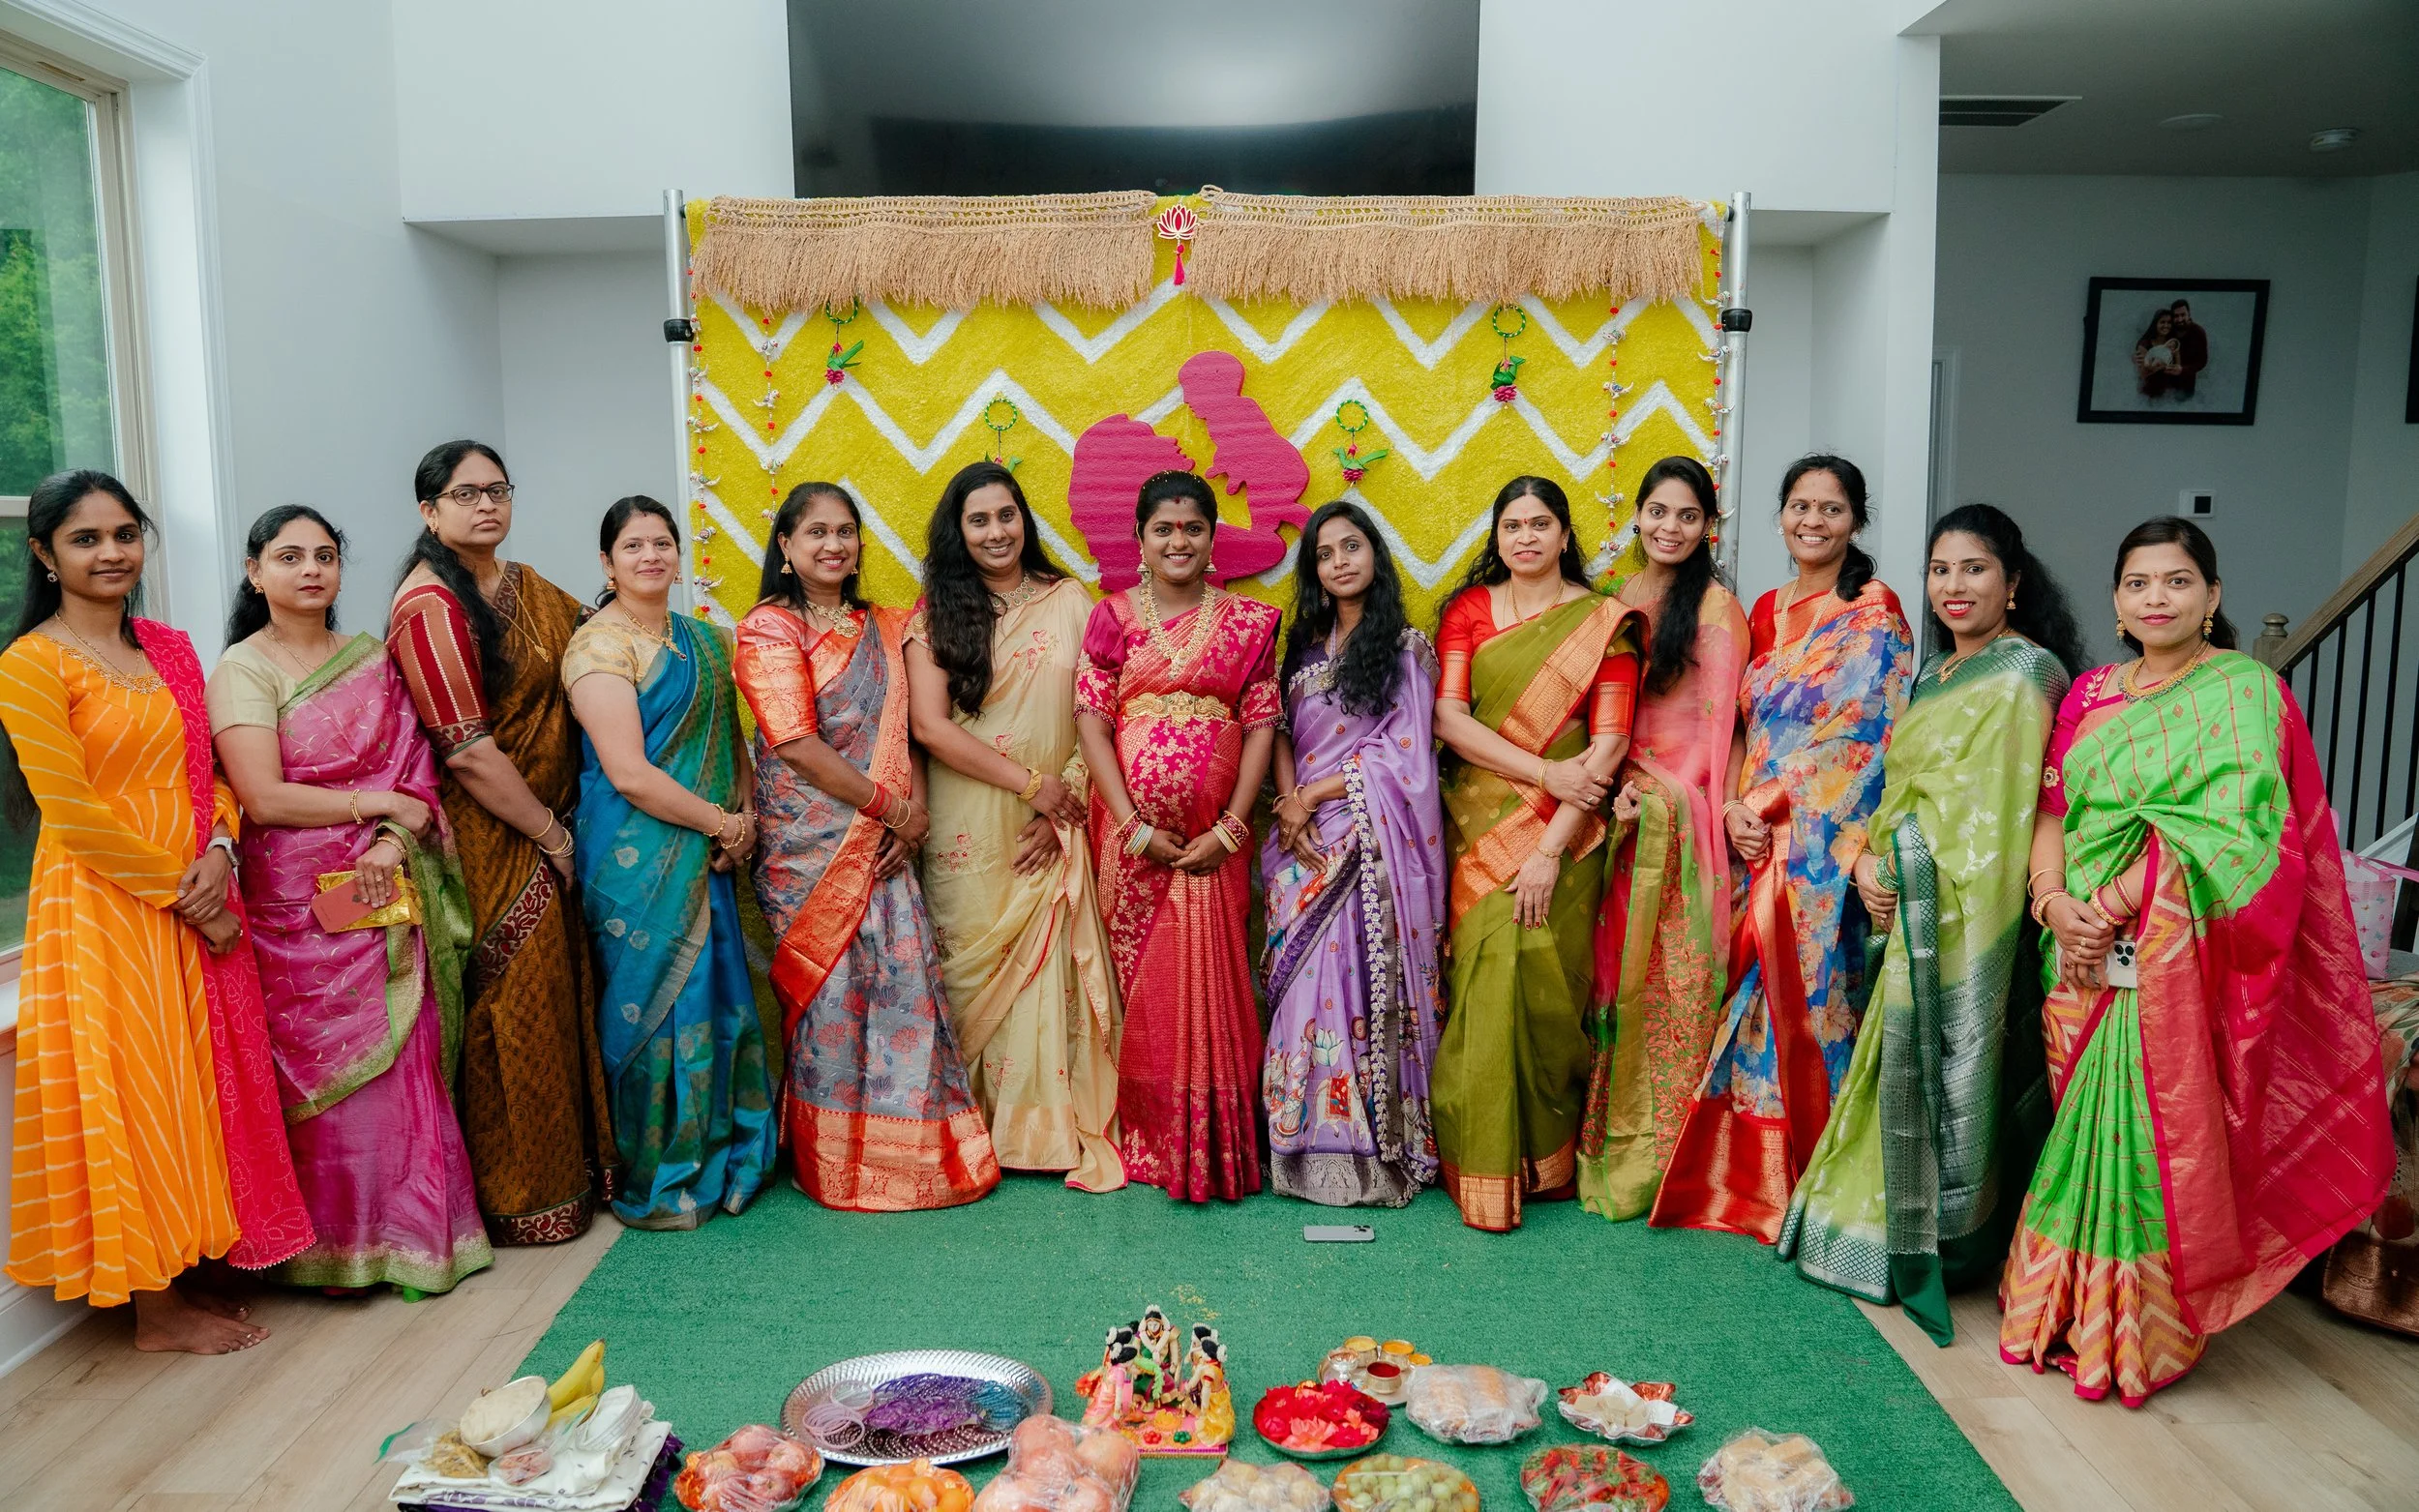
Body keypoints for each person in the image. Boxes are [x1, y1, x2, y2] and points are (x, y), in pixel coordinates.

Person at [2003, 516, 2391, 1406]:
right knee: (2082, 1127)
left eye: (2177, 581)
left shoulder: (2245, 691)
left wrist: (2113, 901)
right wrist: (2054, 903)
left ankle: (2141, 1326)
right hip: (2078, 948)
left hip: (2174, 951)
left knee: (2153, 1134)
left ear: (2211, 596)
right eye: (2138, 583)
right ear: (2116, 599)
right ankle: (2060, 1305)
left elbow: (2241, 833)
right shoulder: (2090, 693)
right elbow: (2053, 812)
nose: (2157, 599)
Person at [0, 470, 309, 1352]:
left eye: (125, 534)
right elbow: (73, 815)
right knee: (132, 1093)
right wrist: (191, 898)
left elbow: (209, 772)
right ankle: (155, 1313)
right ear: (44, 553)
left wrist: (221, 849)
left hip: (197, 885)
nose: (111, 553)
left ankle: (192, 1265)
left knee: (193, 1089)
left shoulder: (169, 646)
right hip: (106, 908)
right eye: (86, 538)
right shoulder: (30, 663)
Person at [1777, 504, 2084, 1341]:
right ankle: (1868, 1224)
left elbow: (1996, 814)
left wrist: (1900, 866)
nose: (1954, 585)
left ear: (2012, 584)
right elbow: (1903, 790)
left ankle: (1945, 1238)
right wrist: (1866, 860)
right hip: (1906, 888)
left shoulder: (2026, 674)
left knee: (1962, 1065)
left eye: (1974, 568)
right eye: (1941, 569)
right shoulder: (1934, 676)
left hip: (1967, 910)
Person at [210, 505, 489, 1297]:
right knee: (330, 1082)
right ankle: (334, 1251)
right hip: (295, 909)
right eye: (289, 556)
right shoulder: (242, 669)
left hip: (382, 883)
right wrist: (377, 806)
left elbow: (417, 774)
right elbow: (263, 797)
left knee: (404, 1063)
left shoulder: (372, 660)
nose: (310, 569)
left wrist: (391, 842)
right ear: (255, 572)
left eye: (325, 555)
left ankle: (415, 1241)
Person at [1652, 454, 1912, 1242]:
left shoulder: (1873, 611)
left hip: (1824, 845)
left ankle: (1811, 1184)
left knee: (1815, 1000)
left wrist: (1784, 809)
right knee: (1746, 1001)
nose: (1813, 521)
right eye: (1800, 506)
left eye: (1831, 509)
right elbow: (1742, 723)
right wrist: (1736, 805)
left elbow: (1868, 737)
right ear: (1779, 515)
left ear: (1856, 521)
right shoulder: (1764, 608)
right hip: (1754, 836)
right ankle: (1737, 1179)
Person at [736, 482, 999, 1211]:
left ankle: (913, 1162)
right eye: (816, 532)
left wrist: (913, 817)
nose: (834, 544)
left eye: (846, 531)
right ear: (785, 547)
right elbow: (795, 744)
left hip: (887, 841)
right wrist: (891, 809)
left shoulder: (886, 624)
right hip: (807, 848)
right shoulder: (767, 629)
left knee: (905, 989)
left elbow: (909, 729)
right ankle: (832, 1165)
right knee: (831, 1002)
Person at [388, 440, 613, 1245]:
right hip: (491, 835)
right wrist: (551, 833)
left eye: (497, 490)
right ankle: (523, 1194)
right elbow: (468, 750)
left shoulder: (524, 585)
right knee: (512, 1006)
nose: (486, 504)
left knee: (556, 993)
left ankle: (574, 1178)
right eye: (466, 493)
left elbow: (601, 643)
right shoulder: (428, 605)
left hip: (550, 817)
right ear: (429, 511)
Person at [906, 461, 1123, 1192]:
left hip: (1056, 813)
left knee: (1048, 968)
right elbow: (930, 727)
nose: (997, 531)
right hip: (970, 821)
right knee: (974, 961)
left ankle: (1042, 1128)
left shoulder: (1070, 599)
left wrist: (1063, 798)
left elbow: (1101, 709)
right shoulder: (934, 615)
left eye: (1007, 515)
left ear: (1024, 520)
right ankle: (976, 1125)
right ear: (957, 532)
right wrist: (1031, 785)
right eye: (979, 520)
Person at [1431, 476, 1640, 1232]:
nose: (1525, 537)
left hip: (1568, 835)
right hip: (1477, 823)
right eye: (1512, 525)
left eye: (1540, 523)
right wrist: (1544, 773)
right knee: (1483, 978)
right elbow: (1450, 719)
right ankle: (1480, 1162)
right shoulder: (1469, 611)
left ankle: (1542, 1159)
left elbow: (1608, 744)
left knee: (1546, 989)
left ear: (1564, 534)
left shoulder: (1603, 621)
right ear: (1497, 538)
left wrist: (1550, 848)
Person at [563, 497, 776, 1229]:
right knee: (654, 1014)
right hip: (636, 861)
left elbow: (734, 743)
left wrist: (743, 821)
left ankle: (733, 1158)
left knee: (715, 1000)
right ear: (607, 563)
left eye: (662, 543)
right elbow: (628, 773)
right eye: (633, 545)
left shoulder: (708, 641)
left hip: (710, 851)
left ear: (679, 556)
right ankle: (663, 1176)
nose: (650, 556)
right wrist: (722, 822)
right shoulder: (598, 648)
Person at [1076, 470, 1283, 1203]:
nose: (1178, 541)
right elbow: (1092, 725)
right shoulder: (1111, 617)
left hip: (1215, 845)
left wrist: (1232, 826)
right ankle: (1150, 1136)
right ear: (1140, 540)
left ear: (1212, 537)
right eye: (1163, 529)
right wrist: (1131, 826)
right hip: (1128, 843)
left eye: (1193, 528)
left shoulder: (1250, 624)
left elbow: (1261, 726)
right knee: (1142, 986)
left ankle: (1214, 1141)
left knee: (1212, 980)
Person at [1262, 500, 1447, 1207]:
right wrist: (1291, 803)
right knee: (1298, 991)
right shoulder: (1304, 649)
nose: (1340, 562)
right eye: (1325, 553)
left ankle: (1367, 1147)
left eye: (1351, 547)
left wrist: (1317, 794)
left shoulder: (1404, 648)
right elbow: (1281, 732)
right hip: (1299, 837)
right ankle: (1296, 1143)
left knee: (1347, 983)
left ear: (1375, 554)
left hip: (1368, 840)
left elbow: (1407, 756)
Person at [1579, 457, 1749, 1222]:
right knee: (1611, 977)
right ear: (1637, 516)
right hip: (1616, 810)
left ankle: (1663, 1166)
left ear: (1708, 525)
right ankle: (1604, 1147)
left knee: (1670, 987)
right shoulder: (1617, 600)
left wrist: (1669, 798)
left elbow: (1720, 732)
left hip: (1679, 817)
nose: (1670, 527)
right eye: (1658, 511)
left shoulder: (1717, 609)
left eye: (1687, 515)